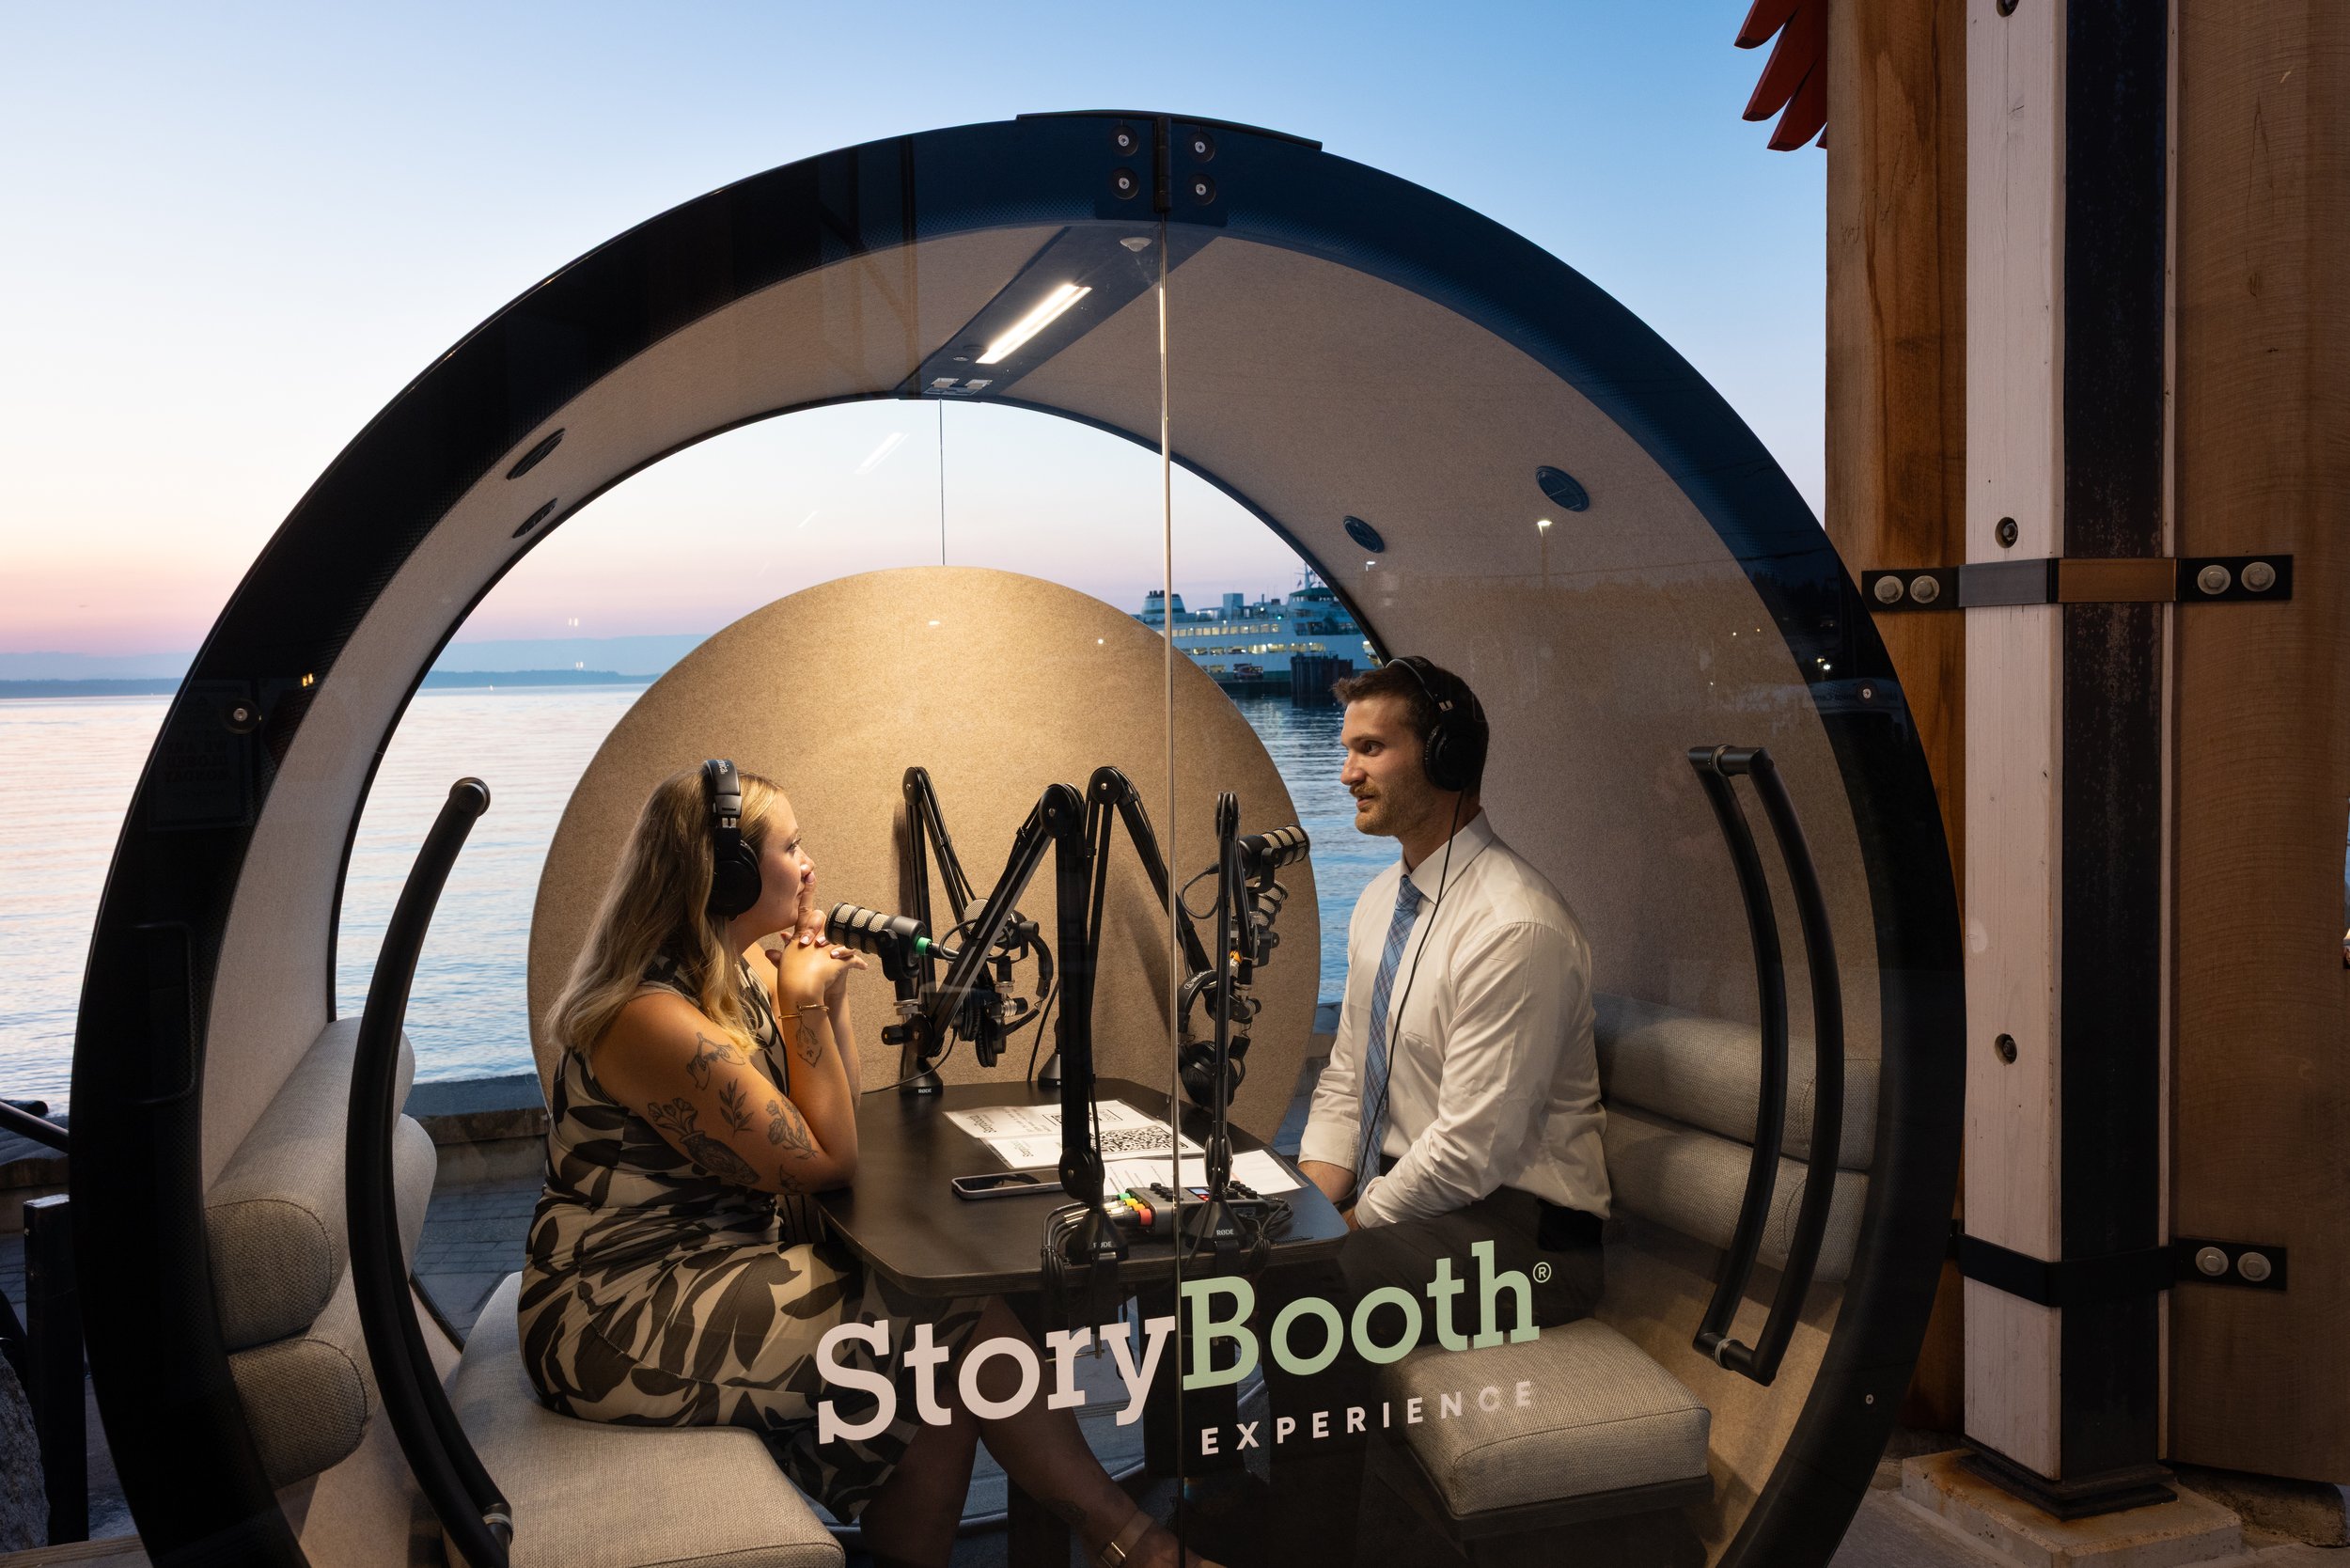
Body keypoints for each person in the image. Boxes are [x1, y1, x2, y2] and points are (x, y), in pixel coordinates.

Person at [519, 761, 1218, 1568]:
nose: (810, 863)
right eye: (790, 846)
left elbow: (841, 1116)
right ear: (728, 873)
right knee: (954, 1322)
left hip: (714, 1268)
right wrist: (803, 1000)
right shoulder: (653, 1015)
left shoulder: (733, 975)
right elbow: (827, 1160)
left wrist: (829, 1003)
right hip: (615, 1312)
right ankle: (1134, 1541)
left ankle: (1124, 1542)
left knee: (939, 1383)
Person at [1246, 658, 1609, 1563]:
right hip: (1425, 1210)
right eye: (1346, 748)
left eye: (1371, 748)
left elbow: (1471, 1150)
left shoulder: (1514, 925)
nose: (1346, 772)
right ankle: (1224, 1501)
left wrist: (1344, 1225)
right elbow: (1346, 1079)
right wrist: (1311, 1191)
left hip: (1525, 1244)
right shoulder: (1379, 903)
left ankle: (1310, 1544)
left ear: (1444, 759)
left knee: (1303, 1284)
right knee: (1219, 1246)